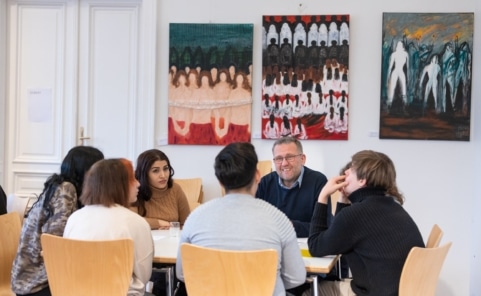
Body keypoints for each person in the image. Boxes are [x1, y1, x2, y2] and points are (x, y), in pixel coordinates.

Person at [176, 142, 306, 295]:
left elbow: (182, 274)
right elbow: (296, 277)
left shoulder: (195, 218)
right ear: (257, 175)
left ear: (220, 181)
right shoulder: (278, 220)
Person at [307, 150, 425, 296]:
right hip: (403, 291)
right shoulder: (392, 206)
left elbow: (316, 247)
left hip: (374, 292)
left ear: (362, 180)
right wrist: (343, 200)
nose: (346, 172)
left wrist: (322, 196)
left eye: (351, 169)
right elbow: (338, 239)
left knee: (309, 291)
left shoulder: (356, 214)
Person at [11, 146, 104, 296]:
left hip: (38, 275)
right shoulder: (66, 189)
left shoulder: (64, 186)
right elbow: (56, 242)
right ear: (84, 170)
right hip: (37, 280)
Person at [63, 158, 154, 296]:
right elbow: (144, 276)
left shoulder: (74, 218)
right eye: (132, 179)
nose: (138, 183)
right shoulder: (136, 222)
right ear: (119, 185)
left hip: (75, 292)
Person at [256, 137, 328, 237]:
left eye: (290, 157)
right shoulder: (264, 183)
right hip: (272, 245)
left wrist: (291, 226)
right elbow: (255, 223)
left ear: (302, 159)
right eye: (279, 158)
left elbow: (324, 227)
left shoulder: (318, 182)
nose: (284, 163)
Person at [131, 149, 190, 229]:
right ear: (144, 174)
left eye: (165, 169)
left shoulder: (176, 189)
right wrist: (159, 223)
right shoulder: (134, 191)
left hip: (171, 240)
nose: (163, 175)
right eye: (155, 171)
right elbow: (131, 221)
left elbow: (187, 225)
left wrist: (171, 228)